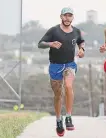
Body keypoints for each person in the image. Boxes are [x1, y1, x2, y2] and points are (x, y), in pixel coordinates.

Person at [38, 7, 85, 137]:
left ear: (72, 18)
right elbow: (40, 44)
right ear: (61, 17)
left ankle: (68, 117)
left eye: (70, 16)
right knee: (58, 94)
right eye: (65, 15)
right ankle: (59, 120)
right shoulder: (54, 30)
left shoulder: (76, 31)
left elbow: (81, 42)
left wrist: (82, 50)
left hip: (70, 64)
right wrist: (50, 44)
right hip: (55, 66)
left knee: (69, 86)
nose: (67, 18)